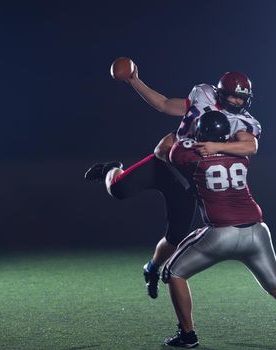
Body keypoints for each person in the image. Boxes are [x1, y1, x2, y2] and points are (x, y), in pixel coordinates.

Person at [85, 63, 261, 299]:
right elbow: (165, 104)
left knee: (175, 237)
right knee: (117, 190)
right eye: (234, 97)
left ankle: (152, 267)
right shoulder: (203, 93)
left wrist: (215, 147)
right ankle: (112, 168)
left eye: (242, 98)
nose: (238, 103)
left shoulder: (246, 123)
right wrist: (134, 81)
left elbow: (250, 146)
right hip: (164, 164)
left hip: (190, 180)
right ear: (220, 93)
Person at [162, 111, 276, 348]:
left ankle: (187, 335)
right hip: (257, 232)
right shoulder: (242, 151)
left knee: (173, 273)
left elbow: (170, 149)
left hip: (221, 234)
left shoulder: (190, 155)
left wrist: (191, 128)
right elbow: (250, 144)